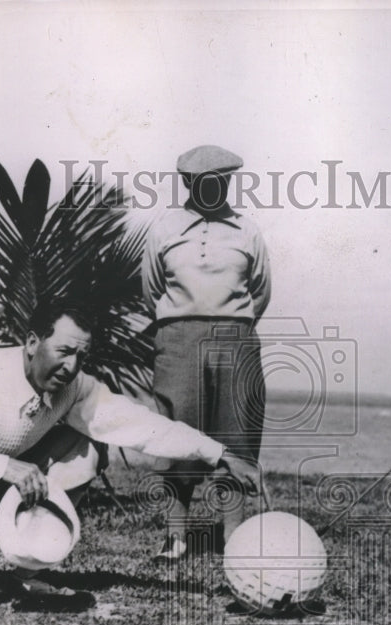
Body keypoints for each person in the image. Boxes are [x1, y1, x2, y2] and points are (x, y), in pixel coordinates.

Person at [0, 300, 259, 609]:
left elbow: (141, 426)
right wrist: (2, 466)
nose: (71, 365)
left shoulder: (74, 387)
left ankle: (29, 570)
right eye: (63, 351)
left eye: (81, 355)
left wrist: (218, 453)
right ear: (30, 342)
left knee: (87, 447)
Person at [142, 144, 271, 561]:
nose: (215, 189)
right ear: (188, 184)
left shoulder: (247, 230)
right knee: (176, 434)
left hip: (235, 338)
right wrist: (181, 327)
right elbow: (151, 289)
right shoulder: (165, 228)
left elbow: (261, 291)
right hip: (178, 340)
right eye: (205, 182)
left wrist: (230, 325)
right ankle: (175, 537)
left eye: (223, 181)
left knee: (236, 437)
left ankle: (232, 537)